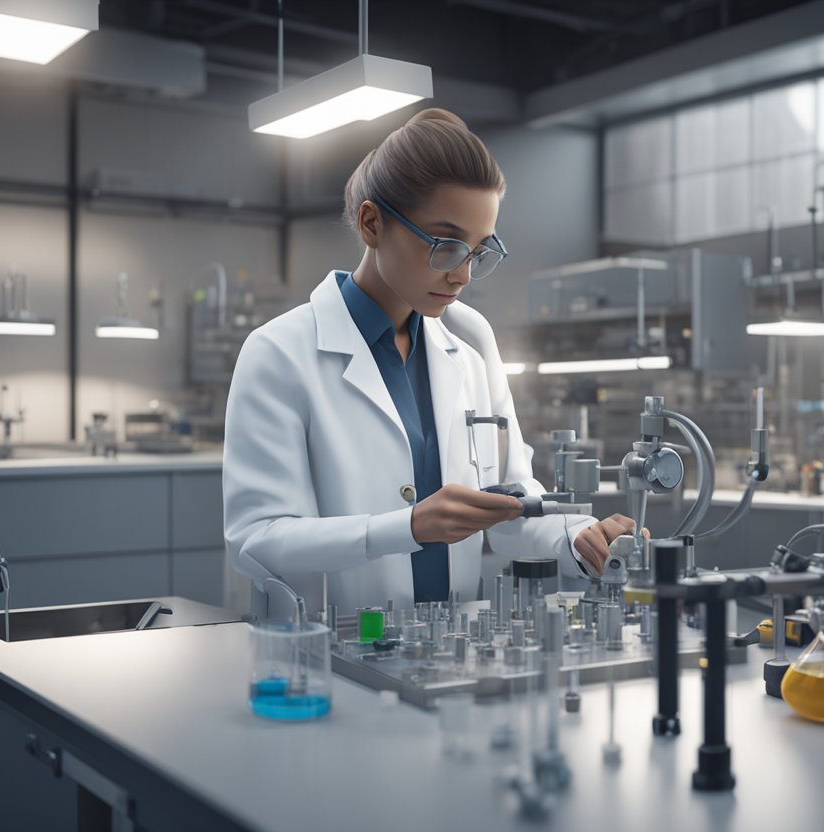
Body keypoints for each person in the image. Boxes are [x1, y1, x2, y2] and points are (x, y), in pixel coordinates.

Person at [223, 108, 641, 615]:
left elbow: (510, 504)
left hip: (447, 651)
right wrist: (408, 527)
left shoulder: (469, 346)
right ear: (372, 223)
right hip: (327, 652)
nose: (462, 274)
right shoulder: (279, 352)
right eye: (445, 246)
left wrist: (577, 536)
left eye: (479, 251)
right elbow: (256, 540)